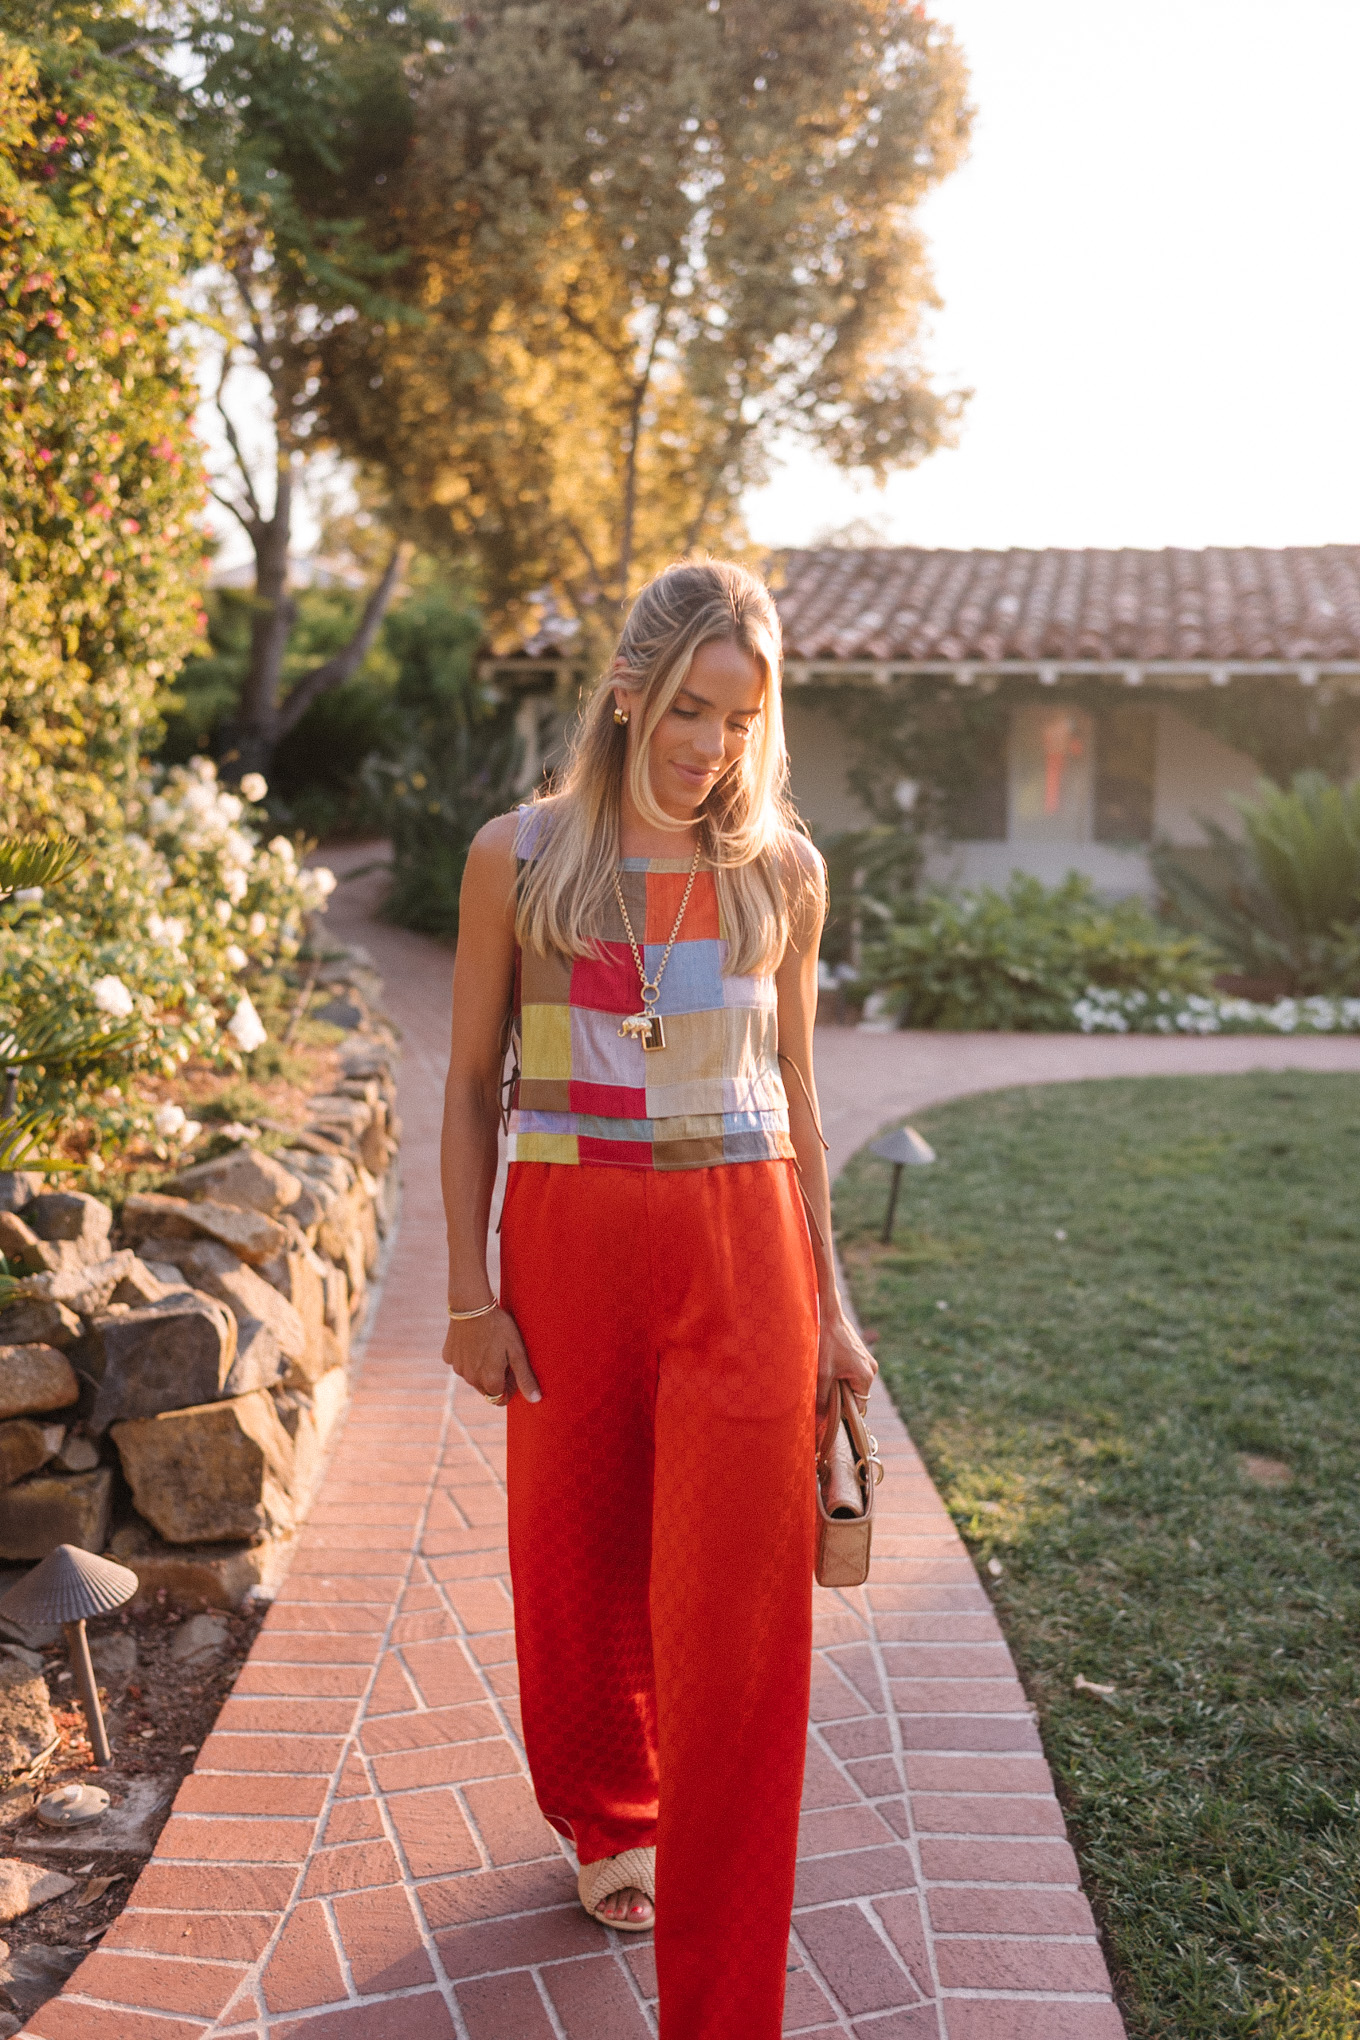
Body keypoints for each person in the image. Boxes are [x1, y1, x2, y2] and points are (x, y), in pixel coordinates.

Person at [439, 558, 877, 2039]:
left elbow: (802, 1096)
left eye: (741, 720)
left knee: (741, 1632)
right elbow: (466, 1092)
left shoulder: (781, 872)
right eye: (689, 710)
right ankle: (610, 1812)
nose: (711, 748)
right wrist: (466, 1292)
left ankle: (725, 2000)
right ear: (627, 695)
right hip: (566, 1261)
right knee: (573, 1582)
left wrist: (834, 1309)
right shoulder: (522, 856)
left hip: (745, 1256)